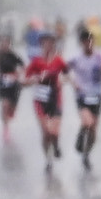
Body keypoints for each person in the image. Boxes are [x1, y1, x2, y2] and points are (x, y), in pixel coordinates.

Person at [68, 27, 101, 166]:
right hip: (82, 95)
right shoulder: (76, 58)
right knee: (87, 122)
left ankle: (87, 152)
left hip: (97, 95)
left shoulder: (99, 57)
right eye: (86, 42)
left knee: (93, 128)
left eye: (91, 41)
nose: (89, 44)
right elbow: (64, 72)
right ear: (81, 43)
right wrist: (73, 82)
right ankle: (80, 138)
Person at [25, 31, 68, 163]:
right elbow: (24, 80)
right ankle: (47, 158)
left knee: (54, 131)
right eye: (46, 42)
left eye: (51, 42)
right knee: (46, 132)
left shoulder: (59, 60)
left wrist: (62, 80)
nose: (49, 45)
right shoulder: (36, 62)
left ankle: (55, 145)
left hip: (55, 98)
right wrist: (36, 78)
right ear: (41, 44)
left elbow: (67, 74)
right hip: (40, 100)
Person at [0, 32, 25, 142]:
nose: (4, 45)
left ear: (10, 44)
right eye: (2, 43)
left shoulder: (13, 55)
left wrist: (17, 74)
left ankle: (12, 111)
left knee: (11, 106)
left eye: (6, 43)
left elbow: (23, 66)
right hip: (2, 83)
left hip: (14, 85)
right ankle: (5, 129)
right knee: (4, 104)